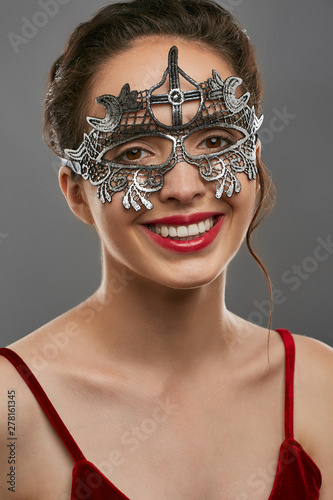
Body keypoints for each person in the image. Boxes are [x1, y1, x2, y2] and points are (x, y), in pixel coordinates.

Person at [0, 0, 332, 498]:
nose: (182, 187)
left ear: (255, 161)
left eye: (216, 140)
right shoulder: (10, 412)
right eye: (134, 152)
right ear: (76, 192)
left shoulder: (321, 385)